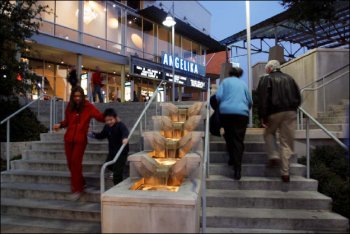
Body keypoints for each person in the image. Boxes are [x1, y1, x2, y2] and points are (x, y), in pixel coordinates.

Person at [53, 86, 104, 200]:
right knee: (70, 164)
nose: (77, 98)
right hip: (68, 139)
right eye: (75, 96)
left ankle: (77, 189)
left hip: (80, 140)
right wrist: (60, 125)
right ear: (72, 96)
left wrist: (110, 117)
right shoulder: (70, 107)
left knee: (76, 162)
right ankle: (81, 183)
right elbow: (67, 121)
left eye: (79, 96)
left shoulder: (88, 106)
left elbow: (99, 116)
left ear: (82, 96)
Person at [256, 60, 301, 183]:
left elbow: (262, 99)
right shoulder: (290, 79)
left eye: (266, 69)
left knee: (268, 133)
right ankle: (285, 172)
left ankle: (273, 155)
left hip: (274, 112)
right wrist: (293, 108)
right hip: (291, 112)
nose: (266, 71)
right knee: (286, 142)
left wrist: (263, 117)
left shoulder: (266, 79)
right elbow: (298, 96)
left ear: (270, 68)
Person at [216, 67, 253, 180]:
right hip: (241, 114)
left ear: (229, 73)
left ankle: (232, 157)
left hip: (226, 113)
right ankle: (237, 169)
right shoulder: (243, 84)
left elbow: (218, 96)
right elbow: (250, 100)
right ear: (239, 74)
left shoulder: (225, 82)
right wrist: (246, 108)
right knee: (238, 139)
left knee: (229, 135)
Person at [89, 108, 129, 185]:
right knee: (108, 165)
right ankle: (116, 172)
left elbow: (125, 131)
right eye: (107, 120)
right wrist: (93, 134)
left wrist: (125, 138)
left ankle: (117, 188)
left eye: (111, 120)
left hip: (121, 152)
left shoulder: (120, 125)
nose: (109, 122)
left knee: (117, 173)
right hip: (112, 151)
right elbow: (102, 135)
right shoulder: (107, 127)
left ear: (115, 118)